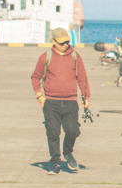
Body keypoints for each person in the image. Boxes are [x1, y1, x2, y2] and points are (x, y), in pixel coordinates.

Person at [31, 28, 90, 173]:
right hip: (51, 102)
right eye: (62, 42)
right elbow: (35, 77)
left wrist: (85, 97)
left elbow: (82, 78)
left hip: (70, 102)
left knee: (73, 131)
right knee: (52, 133)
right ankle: (55, 162)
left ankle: (68, 152)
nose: (65, 45)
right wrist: (40, 97)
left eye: (67, 42)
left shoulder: (75, 56)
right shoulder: (46, 57)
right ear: (54, 42)